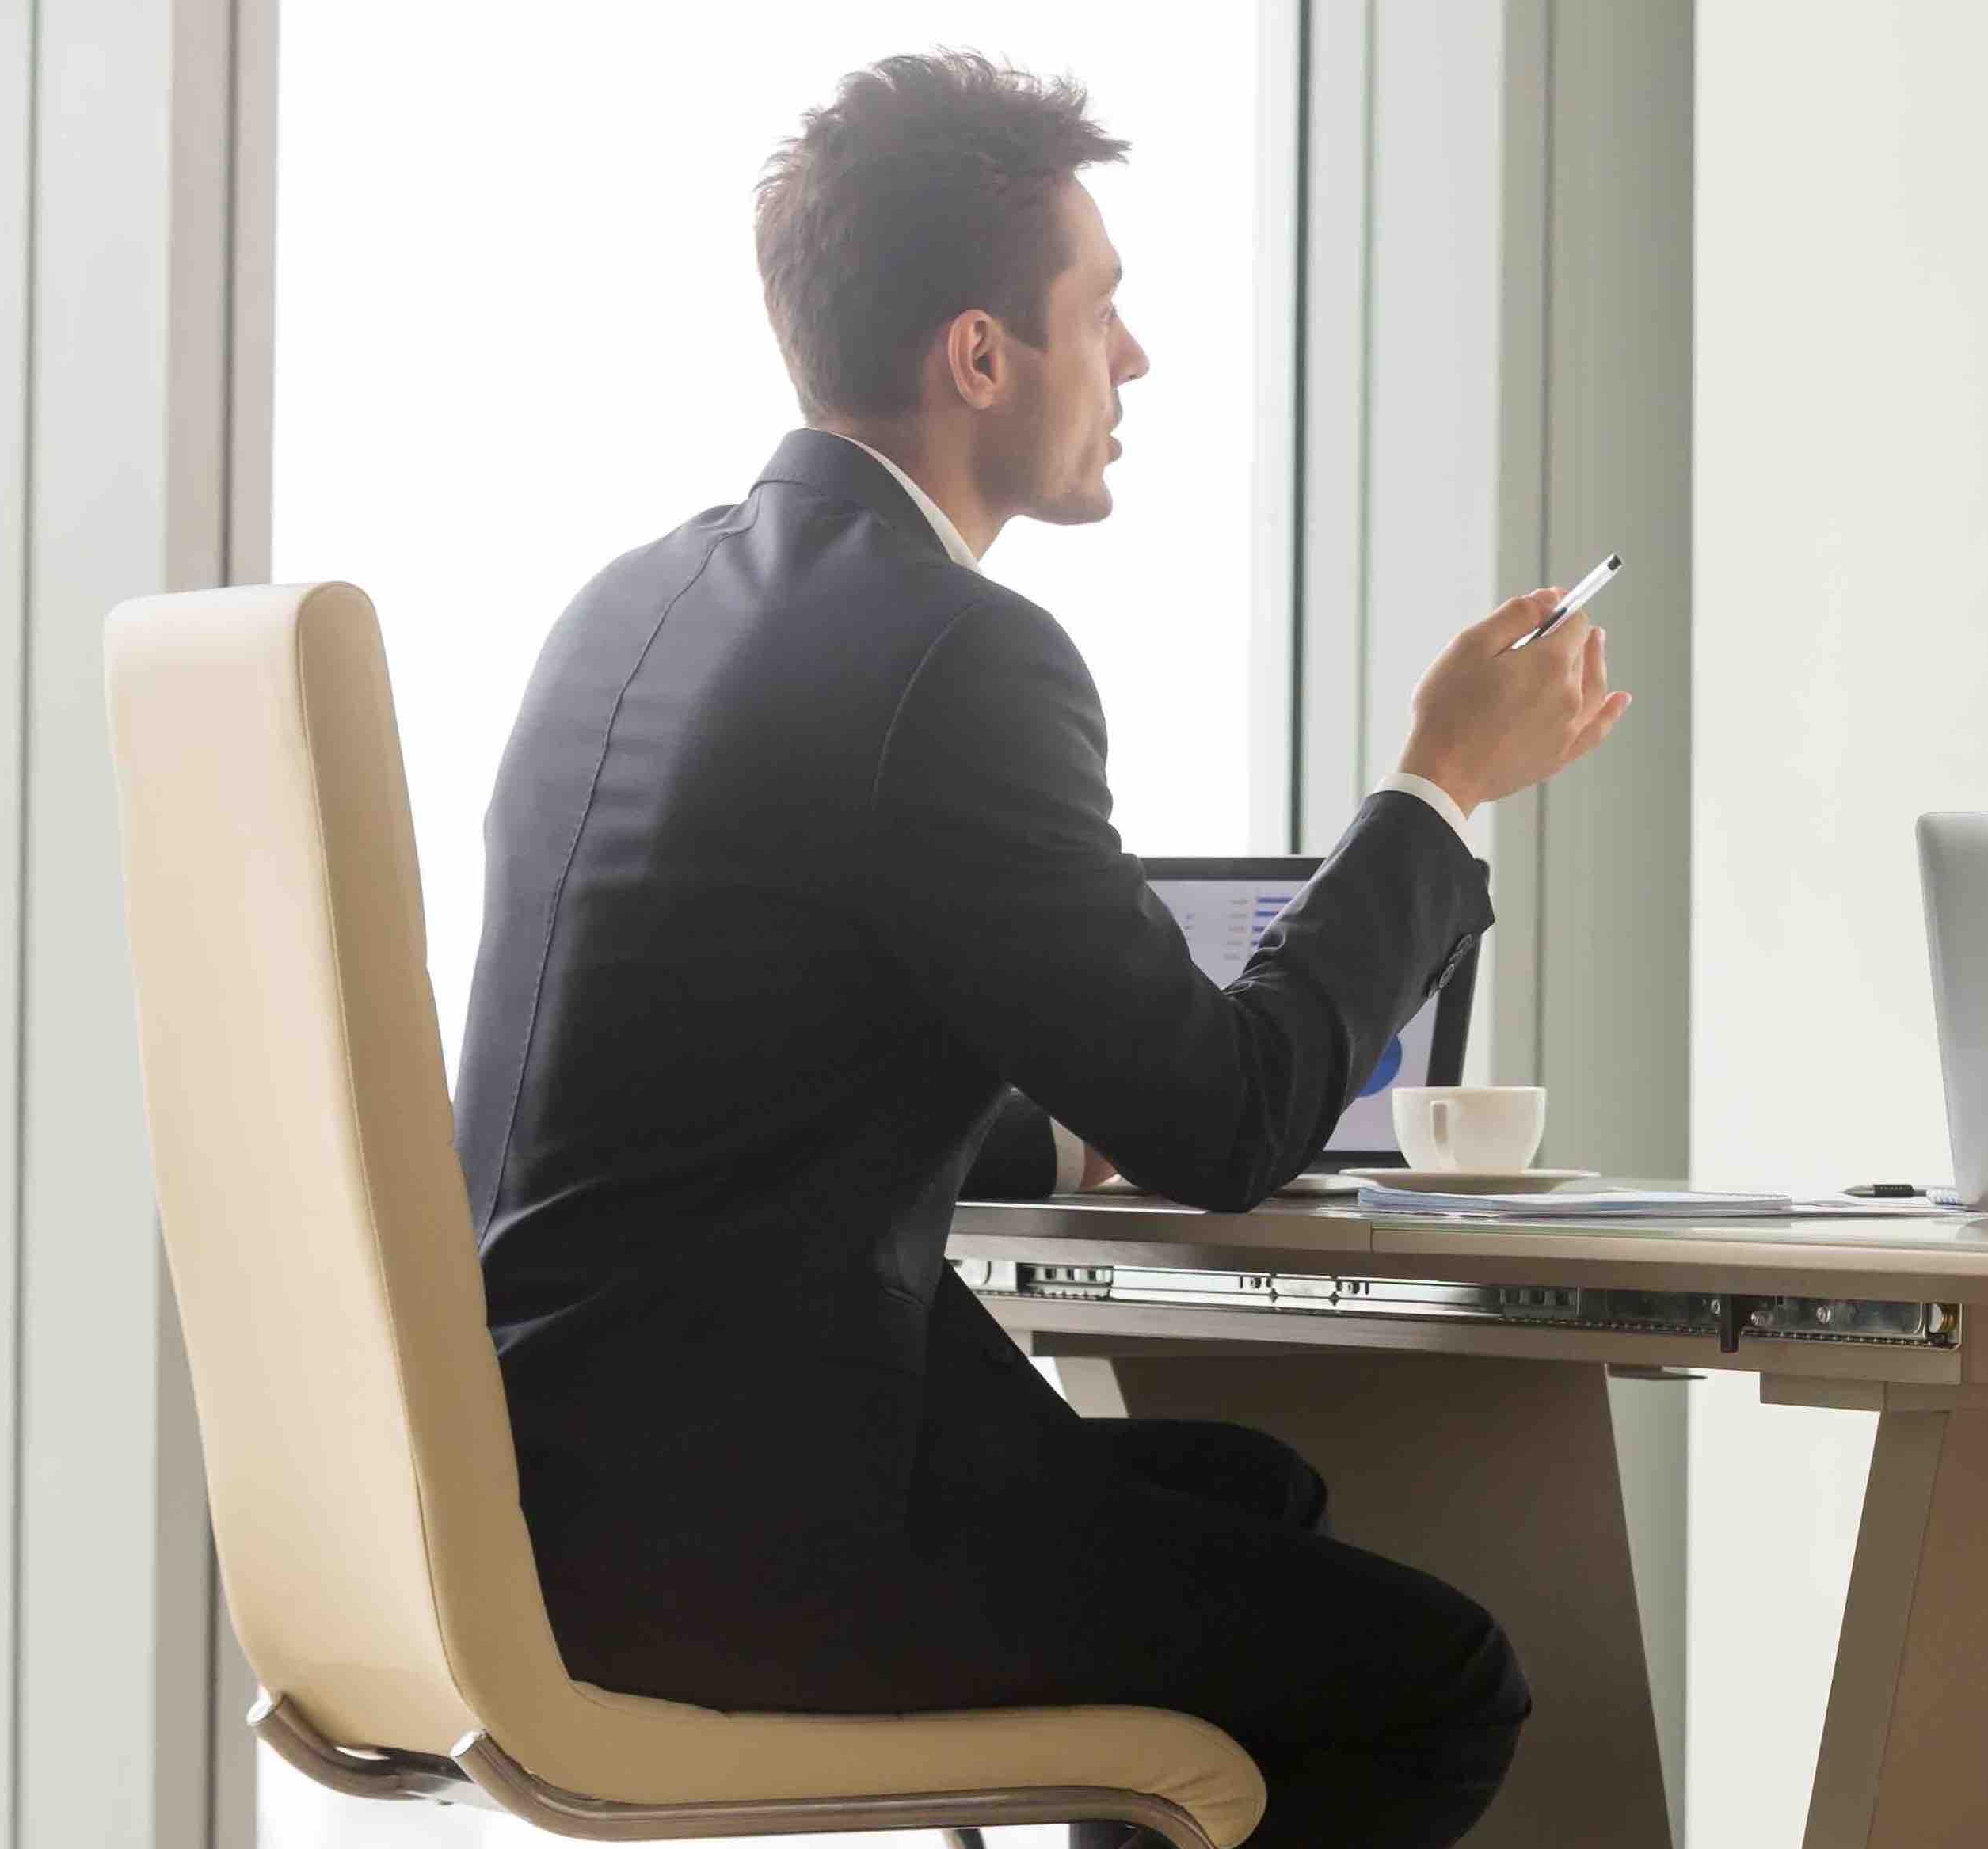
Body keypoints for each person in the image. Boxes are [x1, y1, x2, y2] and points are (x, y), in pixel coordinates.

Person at [452, 52, 1624, 1849]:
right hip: (730, 1546)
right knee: (1433, 1684)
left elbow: (688, 1098)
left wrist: (1062, 1132)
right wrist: (1445, 784)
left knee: (1254, 1495)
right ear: (980, 356)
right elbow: (1235, 1122)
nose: (1134, 363)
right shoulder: (951, 656)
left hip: (539, 1489)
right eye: (1106, 312)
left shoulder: (633, 603)